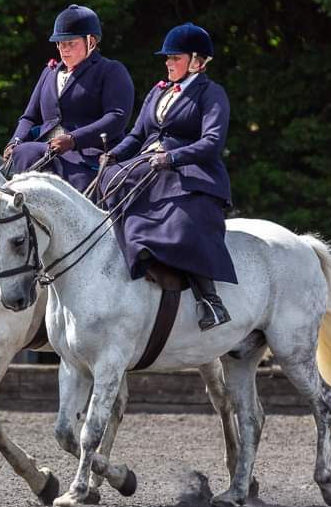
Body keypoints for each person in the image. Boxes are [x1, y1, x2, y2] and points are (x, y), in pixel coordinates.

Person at [98, 23, 236, 331]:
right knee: (108, 183)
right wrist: (115, 154)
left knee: (183, 222)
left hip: (190, 172)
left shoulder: (211, 94)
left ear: (196, 61)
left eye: (175, 58)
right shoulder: (158, 91)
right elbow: (137, 135)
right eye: (168, 58)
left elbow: (212, 141)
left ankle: (210, 301)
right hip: (148, 166)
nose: (168, 63)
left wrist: (173, 157)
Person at [3, 4, 134, 193]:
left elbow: (117, 117)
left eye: (70, 43)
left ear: (91, 42)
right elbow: (29, 117)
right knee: (23, 151)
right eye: (59, 43)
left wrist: (73, 139)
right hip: (44, 150)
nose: (63, 49)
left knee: (30, 152)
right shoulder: (48, 73)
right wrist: (14, 141)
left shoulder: (110, 70)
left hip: (86, 153)